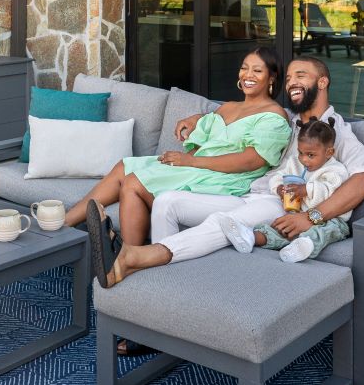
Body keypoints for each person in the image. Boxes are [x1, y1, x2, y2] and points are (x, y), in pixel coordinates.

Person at [87, 56, 364, 294]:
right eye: (288, 78)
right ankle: (167, 294)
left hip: (278, 206)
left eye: (301, 75)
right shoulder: (286, 118)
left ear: (322, 82)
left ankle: (135, 257)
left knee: (221, 224)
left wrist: (310, 217)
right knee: (167, 202)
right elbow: (235, 116)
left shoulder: (338, 133)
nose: (291, 83)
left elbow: (363, 180)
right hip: (249, 193)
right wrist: (196, 118)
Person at [66, 47, 291, 247]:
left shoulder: (274, 116)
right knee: (125, 166)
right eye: (244, 68)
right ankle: (65, 223)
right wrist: (196, 118)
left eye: (257, 71)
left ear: (272, 77)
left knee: (134, 183)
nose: (248, 75)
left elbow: (251, 160)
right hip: (196, 167)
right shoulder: (229, 107)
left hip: (225, 179)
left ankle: (130, 254)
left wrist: (191, 161)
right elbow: (215, 124)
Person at [222, 117, 353, 263]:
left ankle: (302, 247)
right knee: (279, 227)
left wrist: (307, 190)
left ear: (329, 152)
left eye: (311, 155)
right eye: (300, 152)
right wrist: (279, 188)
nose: (304, 159)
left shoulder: (336, 170)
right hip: (298, 215)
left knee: (324, 232)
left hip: (330, 219)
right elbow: (279, 175)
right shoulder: (295, 163)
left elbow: (329, 191)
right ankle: (249, 237)